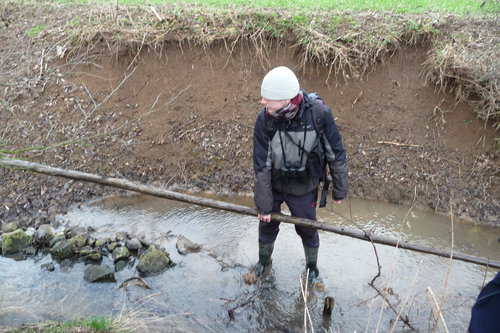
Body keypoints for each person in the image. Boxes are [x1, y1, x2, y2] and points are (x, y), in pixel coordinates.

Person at [252, 66, 349, 283]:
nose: (263, 102)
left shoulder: (319, 114)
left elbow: (336, 153)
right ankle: (263, 262)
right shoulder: (264, 120)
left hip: (305, 186)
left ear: (286, 99)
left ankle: (311, 268)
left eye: (268, 98)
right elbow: (261, 165)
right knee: (266, 224)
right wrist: (264, 206)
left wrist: (339, 191)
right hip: (274, 185)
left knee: (307, 228)